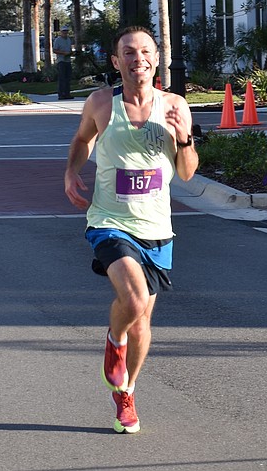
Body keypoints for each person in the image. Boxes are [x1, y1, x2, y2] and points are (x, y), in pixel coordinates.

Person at [64, 25, 198, 434]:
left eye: (145, 51)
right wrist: (71, 170)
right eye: (128, 52)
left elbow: (187, 175)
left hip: (157, 227)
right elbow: (83, 140)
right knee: (135, 300)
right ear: (116, 61)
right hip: (109, 221)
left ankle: (127, 392)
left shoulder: (175, 105)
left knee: (143, 322)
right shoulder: (101, 103)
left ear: (156, 59)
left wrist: (184, 137)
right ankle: (114, 339)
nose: (137, 57)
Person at [53, 25, 74, 100]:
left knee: (68, 78)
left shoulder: (68, 39)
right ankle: (61, 94)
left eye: (66, 31)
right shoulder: (58, 40)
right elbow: (54, 50)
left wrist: (71, 53)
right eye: (64, 31)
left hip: (68, 61)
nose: (65, 33)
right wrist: (63, 53)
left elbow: (70, 49)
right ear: (61, 32)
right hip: (61, 61)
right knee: (62, 78)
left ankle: (67, 94)